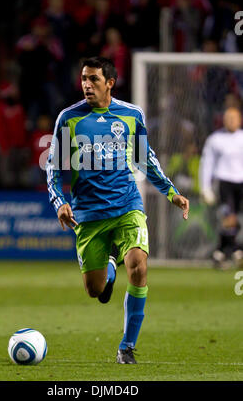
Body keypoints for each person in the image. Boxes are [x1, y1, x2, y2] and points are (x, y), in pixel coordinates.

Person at [46, 57, 189, 364]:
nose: (87, 84)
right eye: (84, 78)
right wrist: (60, 202)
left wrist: (171, 192)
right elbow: (54, 169)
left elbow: (144, 159)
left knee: (138, 266)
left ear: (110, 82)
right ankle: (109, 266)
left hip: (127, 205)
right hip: (88, 214)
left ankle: (127, 346)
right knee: (95, 289)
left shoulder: (131, 114)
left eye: (94, 79)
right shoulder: (68, 119)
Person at [199, 106, 243, 268]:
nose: (231, 121)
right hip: (225, 183)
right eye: (228, 118)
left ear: (240, 120)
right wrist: (205, 187)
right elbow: (207, 164)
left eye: (234, 118)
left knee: (235, 220)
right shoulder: (215, 139)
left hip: (241, 183)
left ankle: (220, 251)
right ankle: (237, 251)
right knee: (229, 218)